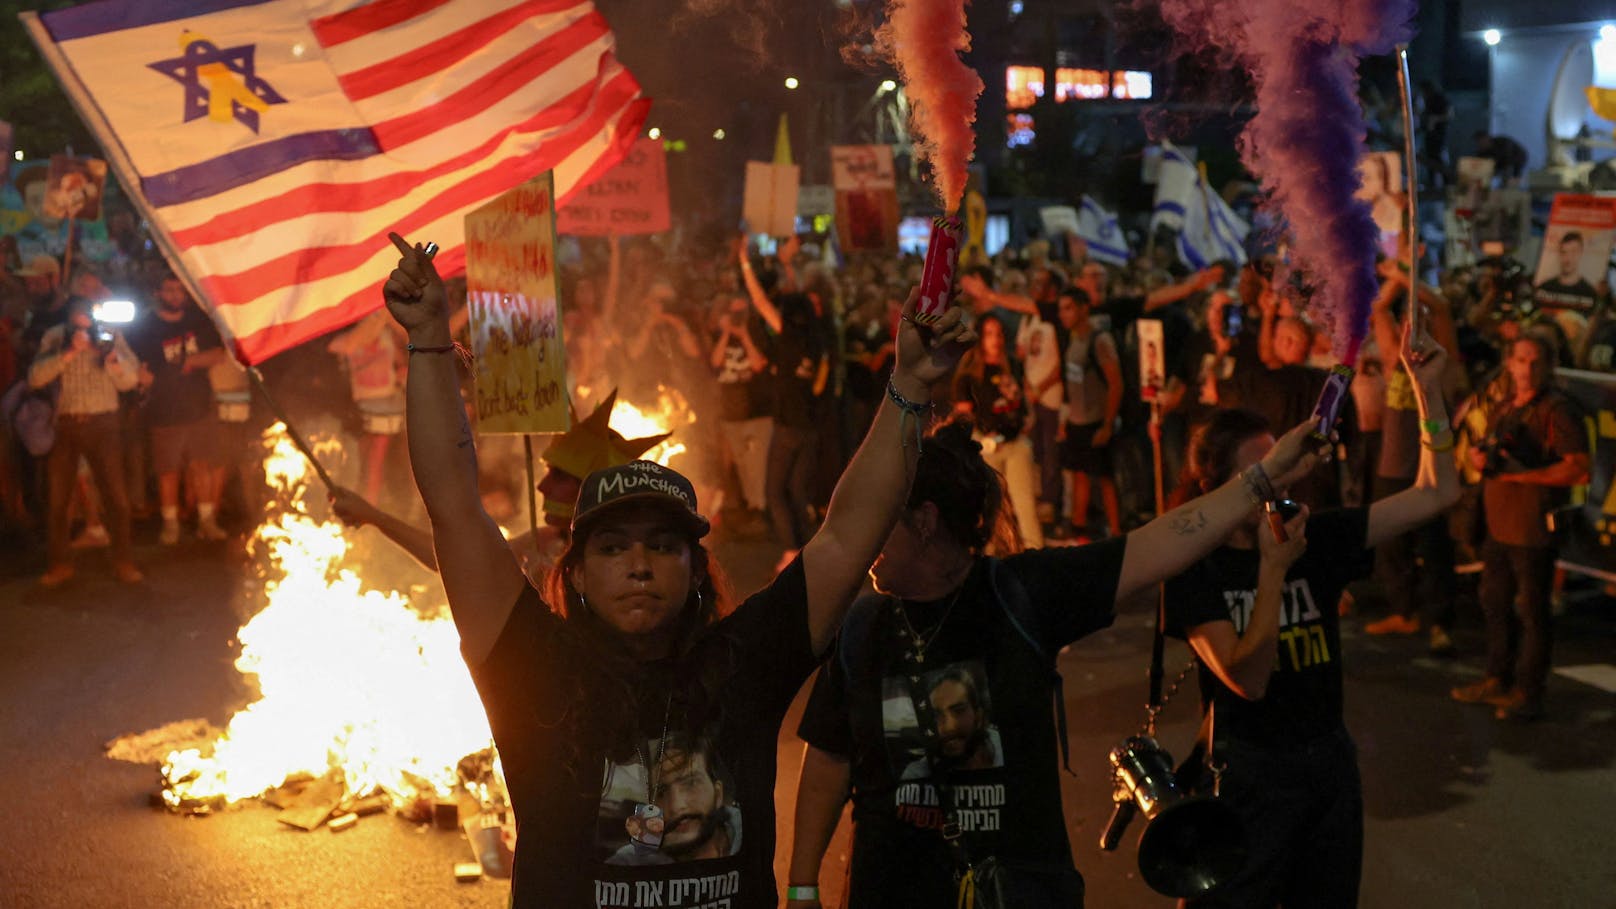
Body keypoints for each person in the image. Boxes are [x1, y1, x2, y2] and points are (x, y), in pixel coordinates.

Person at [379, 231, 975, 908]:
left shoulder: (745, 660)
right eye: (611, 547)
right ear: (574, 574)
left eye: (663, 545)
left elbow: (847, 534)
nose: (639, 564)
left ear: (697, 567)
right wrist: (428, 338)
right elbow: (454, 506)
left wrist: (910, 387)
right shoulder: (531, 665)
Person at [787, 411, 1331, 909]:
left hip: (1019, 893)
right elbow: (828, 762)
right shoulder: (861, 626)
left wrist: (1262, 477)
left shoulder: (1023, 594)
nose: (865, 536)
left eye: (882, 517)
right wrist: (803, 885)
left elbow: (1158, 544)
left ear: (925, 520)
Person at [1161, 325, 1457, 908]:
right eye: (1264, 472)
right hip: (1246, 776)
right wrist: (1273, 571)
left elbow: (1435, 492)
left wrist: (1428, 392)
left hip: (1327, 767)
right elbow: (1246, 679)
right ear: (1222, 486)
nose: (1284, 481)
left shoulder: (1313, 537)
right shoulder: (1199, 567)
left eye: (1284, 464)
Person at [1451, 335, 1589, 721]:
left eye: (1535, 361)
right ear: (1508, 364)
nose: (1527, 368)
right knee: (1494, 604)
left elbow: (1578, 466)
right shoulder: (1504, 406)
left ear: (1547, 366)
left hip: (1532, 530)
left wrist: (1526, 478)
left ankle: (1528, 692)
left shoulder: (1558, 410)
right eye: (1521, 360)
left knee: (1532, 610)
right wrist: (1481, 459)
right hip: (1498, 526)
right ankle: (1497, 678)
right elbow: (1491, 453)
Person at [28, 297, 143, 586]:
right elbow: (35, 378)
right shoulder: (55, 336)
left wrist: (113, 361)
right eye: (77, 319)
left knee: (116, 497)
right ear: (70, 319)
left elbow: (130, 381)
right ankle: (59, 563)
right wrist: (68, 353)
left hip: (104, 423)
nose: (84, 324)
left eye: (87, 318)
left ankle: (123, 561)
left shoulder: (112, 335)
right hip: (65, 424)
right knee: (57, 500)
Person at [126, 276, 230, 543]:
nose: (175, 295)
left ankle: (207, 521)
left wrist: (189, 362)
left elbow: (219, 354)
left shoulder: (198, 320)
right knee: (168, 470)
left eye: (180, 290)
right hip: (164, 411)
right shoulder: (145, 327)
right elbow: (138, 368)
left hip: (200, 407)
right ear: (158, 291)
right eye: (169, 290)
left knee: (202, 465)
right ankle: (170, 524)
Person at [952, 314, 1042, 547]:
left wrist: (1027, 419)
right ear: (980, 337)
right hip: (988, 446)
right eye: (989, 334)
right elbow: (964, 413)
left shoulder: (1012, 365)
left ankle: (1037, 557)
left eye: (999, 333)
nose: (995, 339)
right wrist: (978, 438)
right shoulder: (970, 373)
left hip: (1015, 442)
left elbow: (1026, 397)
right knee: (990, 509)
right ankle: (988, 561)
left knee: (1025, 507)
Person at [1055, 286, 1122, 539]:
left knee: (1104, 478)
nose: (1063, 315)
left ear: (1084, 308)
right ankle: (1079, 532)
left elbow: (1116, 383)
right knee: (1080, 475)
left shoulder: (1099, 340)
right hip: (1077, 421)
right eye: (1061, 309)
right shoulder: (1073, 339)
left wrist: (1107, 424)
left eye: (1068, 308)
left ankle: (1116, 531)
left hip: (1096, 421)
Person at [1533, 232, 1599, 317]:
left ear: (1581, 253)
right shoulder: (1544, 288)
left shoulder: (1589, 293)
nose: (1568, 258)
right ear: (1559, 254)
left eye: (1573, 252)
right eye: (1564, 252)